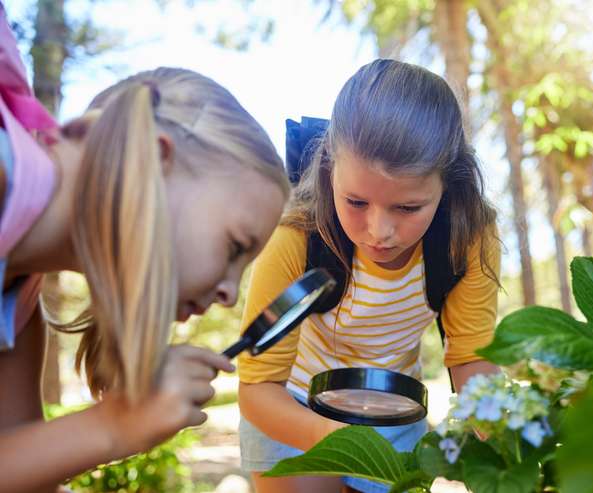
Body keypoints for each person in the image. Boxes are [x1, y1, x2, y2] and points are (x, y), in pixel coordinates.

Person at [0, 4, 289, 492]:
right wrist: (111, 426)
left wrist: (114, 428)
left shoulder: (21, 300)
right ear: (155, 161)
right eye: (236, 246)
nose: (230, 295)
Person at [237, 59, 502, 493]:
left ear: (447, 186)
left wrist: (499, 447)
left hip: (394, 411)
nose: (379, 232)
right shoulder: (295, 239)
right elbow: (257, 388)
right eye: (356, 202)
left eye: (408, 207)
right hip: (290, 408)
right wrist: (343, 444)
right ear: (329, 170)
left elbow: (471, 357)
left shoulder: (466, 236)